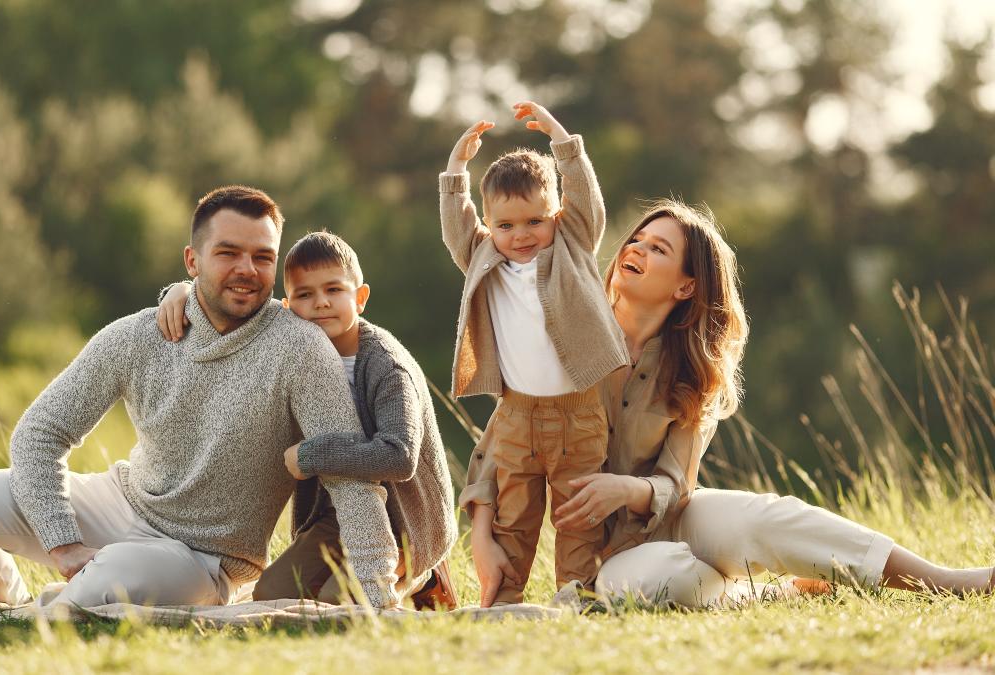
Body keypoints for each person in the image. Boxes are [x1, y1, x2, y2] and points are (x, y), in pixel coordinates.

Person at [466, 199, 995, 607]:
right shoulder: (562, 337)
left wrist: (626, 488)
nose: (635, 250)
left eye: (658, 250)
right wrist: (485, 536)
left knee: (766, 517)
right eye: (638, 240)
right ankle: (770, 594)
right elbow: (504, 440)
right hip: (604, 556)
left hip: (672, 517)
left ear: (685, 288)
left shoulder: (693, 372)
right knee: (650, 581)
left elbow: (677, 486)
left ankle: (942, 580)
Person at [0, 185, 402, 609]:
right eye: (227, 253)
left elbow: (350, 478)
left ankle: (55, 610)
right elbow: (40, 432)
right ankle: (1, 611)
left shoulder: (301, 347)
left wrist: (380, 597)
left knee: (107, 583)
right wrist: (62, 543)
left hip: (201, 560)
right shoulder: (137, 335)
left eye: (262, 257)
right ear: (192, 261)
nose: (246, 270)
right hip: (119, 503)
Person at [158, 231, 459, 609]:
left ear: (360, 298)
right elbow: (236, 310)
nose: (320, 303)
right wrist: (183, 291)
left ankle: (424, 577)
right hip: (335, 516)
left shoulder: (386, 367)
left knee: (343, 601)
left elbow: (399, 456)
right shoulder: (295, 353)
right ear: (287, 308)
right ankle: (363, 572)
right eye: (304, 295)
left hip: (404, 522)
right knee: (272, 594)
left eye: (334, 290)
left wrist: (313, 455)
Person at [439, 102, 630, 604]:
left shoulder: (572, 242)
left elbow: (587, 200)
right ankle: (507, 599)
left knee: (577, 513)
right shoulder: (483, 256)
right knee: (514, 514)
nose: (520, 235)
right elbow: (457, 226)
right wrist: (456, 169)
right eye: (505, 226)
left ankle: (576, 592)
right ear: (489, 224)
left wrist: (562, 142)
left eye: (534, 221)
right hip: (518, 415)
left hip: (579, 412)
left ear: (556, 216)